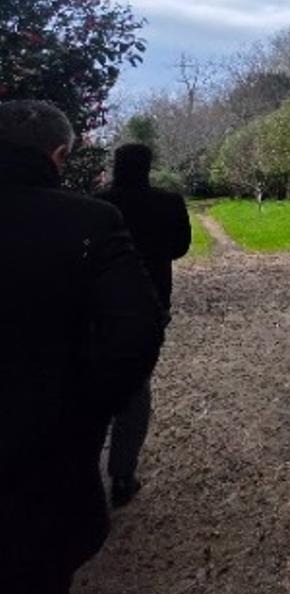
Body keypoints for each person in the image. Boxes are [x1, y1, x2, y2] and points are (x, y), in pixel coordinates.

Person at [0, 100, 164, 594]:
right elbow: (134, 335)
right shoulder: (84, 222)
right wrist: (80, 413)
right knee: (36, 584)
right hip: (35, 447)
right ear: (60, 155)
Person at [99, 142, 192, 506]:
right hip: (150, 299)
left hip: (100, 302)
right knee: (136, 384)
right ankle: (122, 474)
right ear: (148, 167)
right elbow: (180, 247)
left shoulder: (98, 203)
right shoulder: (167, 202)